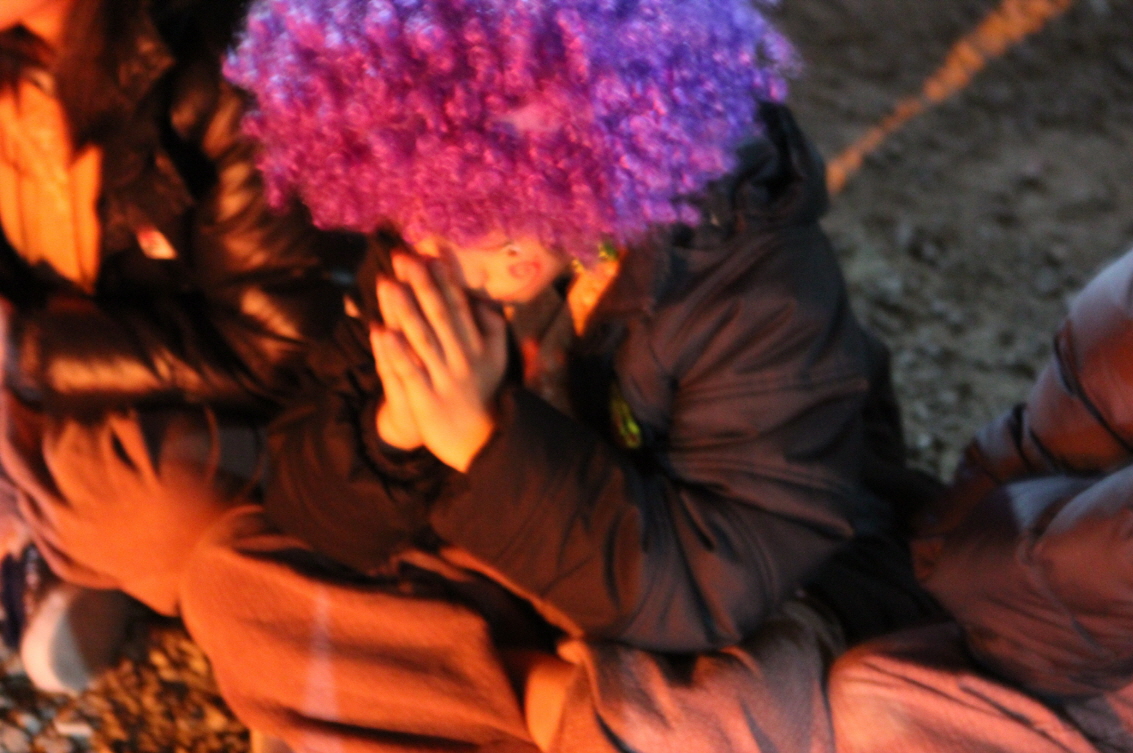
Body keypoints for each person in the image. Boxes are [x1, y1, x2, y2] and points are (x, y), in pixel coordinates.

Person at [173, 0, 938, 749]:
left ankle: (469, 709)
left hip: (745, 608)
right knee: (231, 580)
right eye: (404, 202)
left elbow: (722, 578)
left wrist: (480, 441)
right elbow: (313, 507)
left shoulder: (753, 283)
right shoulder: (429, 220)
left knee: (697, 723)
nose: (416, 237)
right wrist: (391, 435)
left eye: (454, 208)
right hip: (536, 574)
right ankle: (557, 713)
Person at [0, 0, 357, 692]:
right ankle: (77, 541)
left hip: (216, 410)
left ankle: (75, 543)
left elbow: (275, 348)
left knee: (160, 508)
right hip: (69, 380)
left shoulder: (217, 56)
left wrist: (29, 349)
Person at [829, 247, 1133, 753]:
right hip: (1039, 617)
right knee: (878, 694)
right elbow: (964, 564)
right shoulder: (1120, 335)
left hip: (1046, 611)